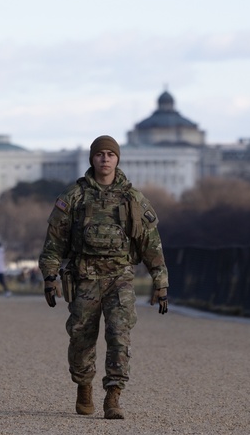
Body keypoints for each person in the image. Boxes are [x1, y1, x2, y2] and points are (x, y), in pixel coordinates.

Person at [38, 135, 169, 419]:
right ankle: (84, 384)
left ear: (118, 159)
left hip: (120, 278)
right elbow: (54, 242)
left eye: (111, 154)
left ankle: (113, 395)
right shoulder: (74, 196)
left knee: (119, 336)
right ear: (92, 159)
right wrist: (50, 276)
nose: (105, 159)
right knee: (81, 338)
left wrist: (161, 281)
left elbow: (151, 243)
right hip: (84, 278)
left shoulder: (133, 198)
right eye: (100, 154)